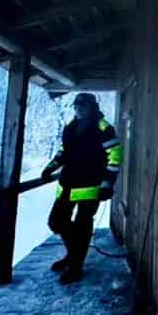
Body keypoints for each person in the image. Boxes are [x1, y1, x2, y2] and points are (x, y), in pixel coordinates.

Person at [41, 93, 122, 283]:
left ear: (92, 107)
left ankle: (75, 266)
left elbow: (115, 156)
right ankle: (72, 255)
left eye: (82, 106)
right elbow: (64, 152)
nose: (78, 109)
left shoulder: (103, 128)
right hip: (67, 185)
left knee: (82, 225)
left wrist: (108, 183)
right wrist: (51, 167)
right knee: (56, 221)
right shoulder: (70, 128)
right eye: (76, 106)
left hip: (90, 187)